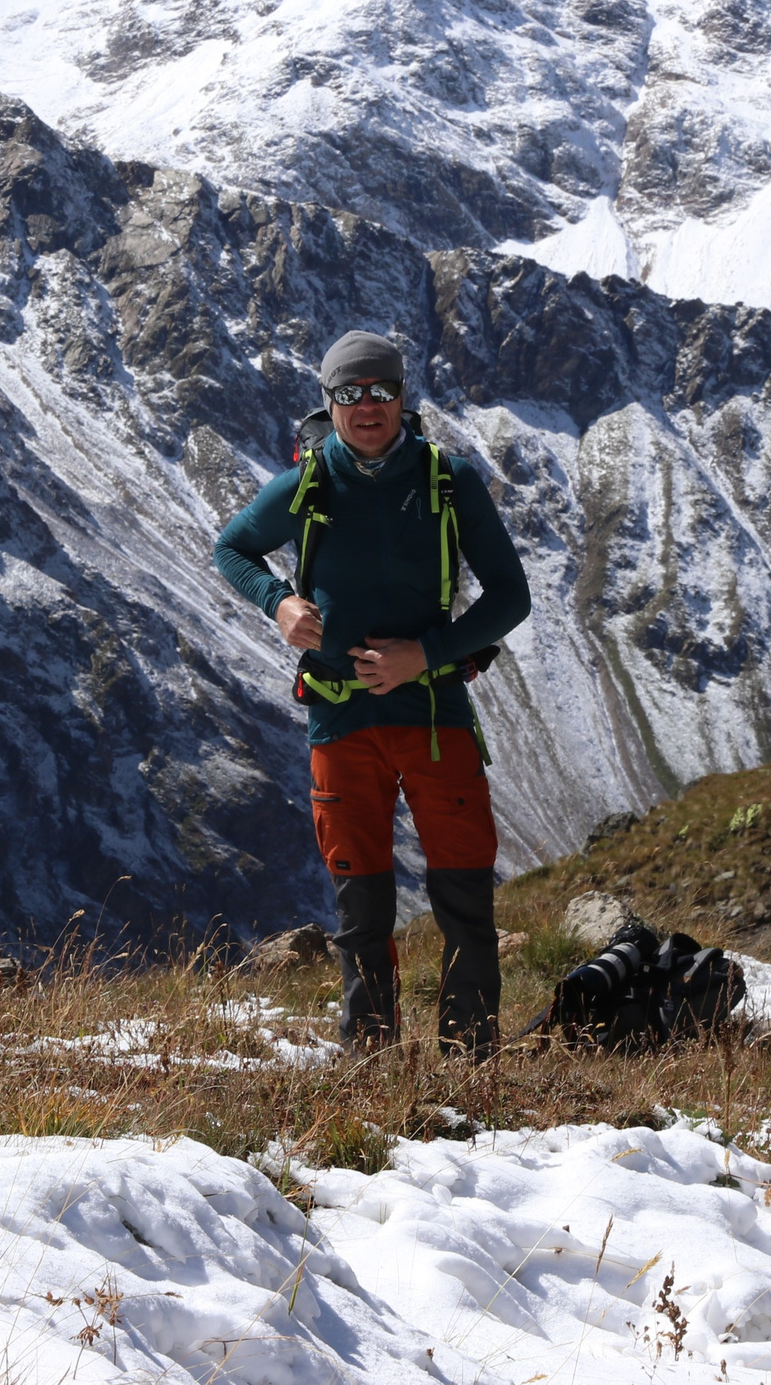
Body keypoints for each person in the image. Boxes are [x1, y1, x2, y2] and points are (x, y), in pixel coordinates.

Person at [212, 330, 532, 1053]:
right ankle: (372, 1060)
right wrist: (277, 602)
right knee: (363, 910)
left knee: (463, 898)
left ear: (402, 397)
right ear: (328, 401)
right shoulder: (307, 483)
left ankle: (469, 1059)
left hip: (432, 713)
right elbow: (229, 546)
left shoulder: (449, 481)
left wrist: (424, 654)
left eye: (381, 390)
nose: (366, 406)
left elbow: (511, 595)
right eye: (350, 393)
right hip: (340, 715)